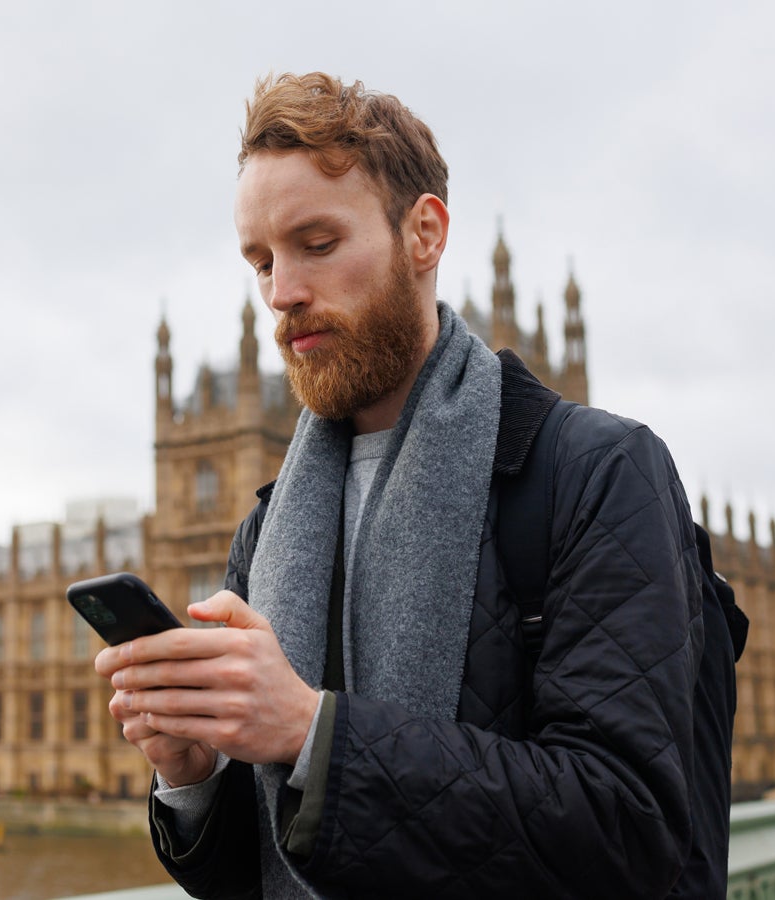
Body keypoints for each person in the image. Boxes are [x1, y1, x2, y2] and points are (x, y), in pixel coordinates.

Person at [95, 72, 706, 898]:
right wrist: (193, 774)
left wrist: (315, 735)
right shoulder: (270, 529)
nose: (283, 293)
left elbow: (632, 832)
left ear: (424, 234)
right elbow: (271, 865)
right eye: (262, 262)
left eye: (317, 244)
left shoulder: (596, 474)